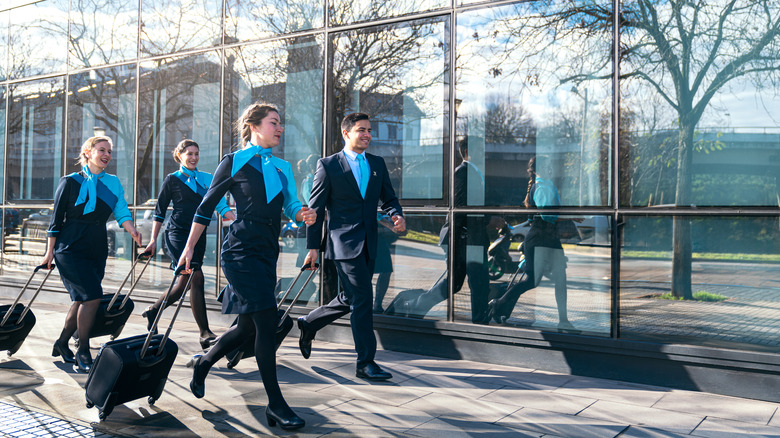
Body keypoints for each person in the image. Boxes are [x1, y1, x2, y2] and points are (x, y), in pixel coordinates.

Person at [179, 103, 315, 431]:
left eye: (280, 123)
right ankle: (276, 405)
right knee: (267, 323)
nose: (279, 128)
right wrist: (189, 247)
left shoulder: (282, 167)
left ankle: (204, 362)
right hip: (239, 252)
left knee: (246, 328)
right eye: (274, 123)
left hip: (268, 252)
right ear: (254, 127)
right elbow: (206, 206)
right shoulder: (233, 161)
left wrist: (302, 214)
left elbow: (292, 205)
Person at [298, 112, 406, 381]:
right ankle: (365, 362)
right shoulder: (328, 165)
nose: (367, 134)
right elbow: (316, 208)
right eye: (361, 130)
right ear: (347, 133)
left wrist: (396, 214)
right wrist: (313, 248)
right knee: (363, 300)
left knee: (350, 298)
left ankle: (309, 322)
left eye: (369, 130)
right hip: (342, 243)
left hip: (370, 242)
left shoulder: (378, 164)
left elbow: (389, 198)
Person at [43, 136, 142, 373]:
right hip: (69, 247)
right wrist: (49, 253)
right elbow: (55, 221)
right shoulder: (69, 181)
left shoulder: (113, 182)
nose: (107, 154)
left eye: (109, 151)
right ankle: (83, 350)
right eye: (101, 150)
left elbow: (121, 211)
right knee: (92, 296)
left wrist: (133, 232)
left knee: (82, 299)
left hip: (96, 247)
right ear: (88, 152)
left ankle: (62, 343)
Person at [142, 139, 236, 349]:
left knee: (184, 283)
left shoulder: (207, 178)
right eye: (189, 154)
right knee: (196, 276)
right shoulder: (172, 180)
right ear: (180, 155)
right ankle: (204, 332)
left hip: (198, 236)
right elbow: (159, 213)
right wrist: (153, 241)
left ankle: (153, 311)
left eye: (196, 153)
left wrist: (235, 219)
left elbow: (219, 204)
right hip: (176, 234)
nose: (193, 158)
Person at [402, 138, 501, 323]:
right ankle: (416, 306)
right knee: (457, 283)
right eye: (480, 149)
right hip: (461, 239)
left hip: (471, 239)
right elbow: (460, 207)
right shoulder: (462, 173)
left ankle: (480, 321)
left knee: (476, 282)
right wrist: (489, 219)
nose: (484, 153)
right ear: (466, 151)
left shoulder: (474, 173)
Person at [487, 157, 574, 331]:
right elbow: (547, 216)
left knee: (560, 279)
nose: (548, 167)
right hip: (540, 240)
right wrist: (570, 215)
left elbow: (540, 216)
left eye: (549, 164)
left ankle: (563, 321)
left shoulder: (548, 185)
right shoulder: (540, 187)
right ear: (535, 171)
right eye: (544, 166)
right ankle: (498, 304)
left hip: (550, 239)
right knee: (532, 281)